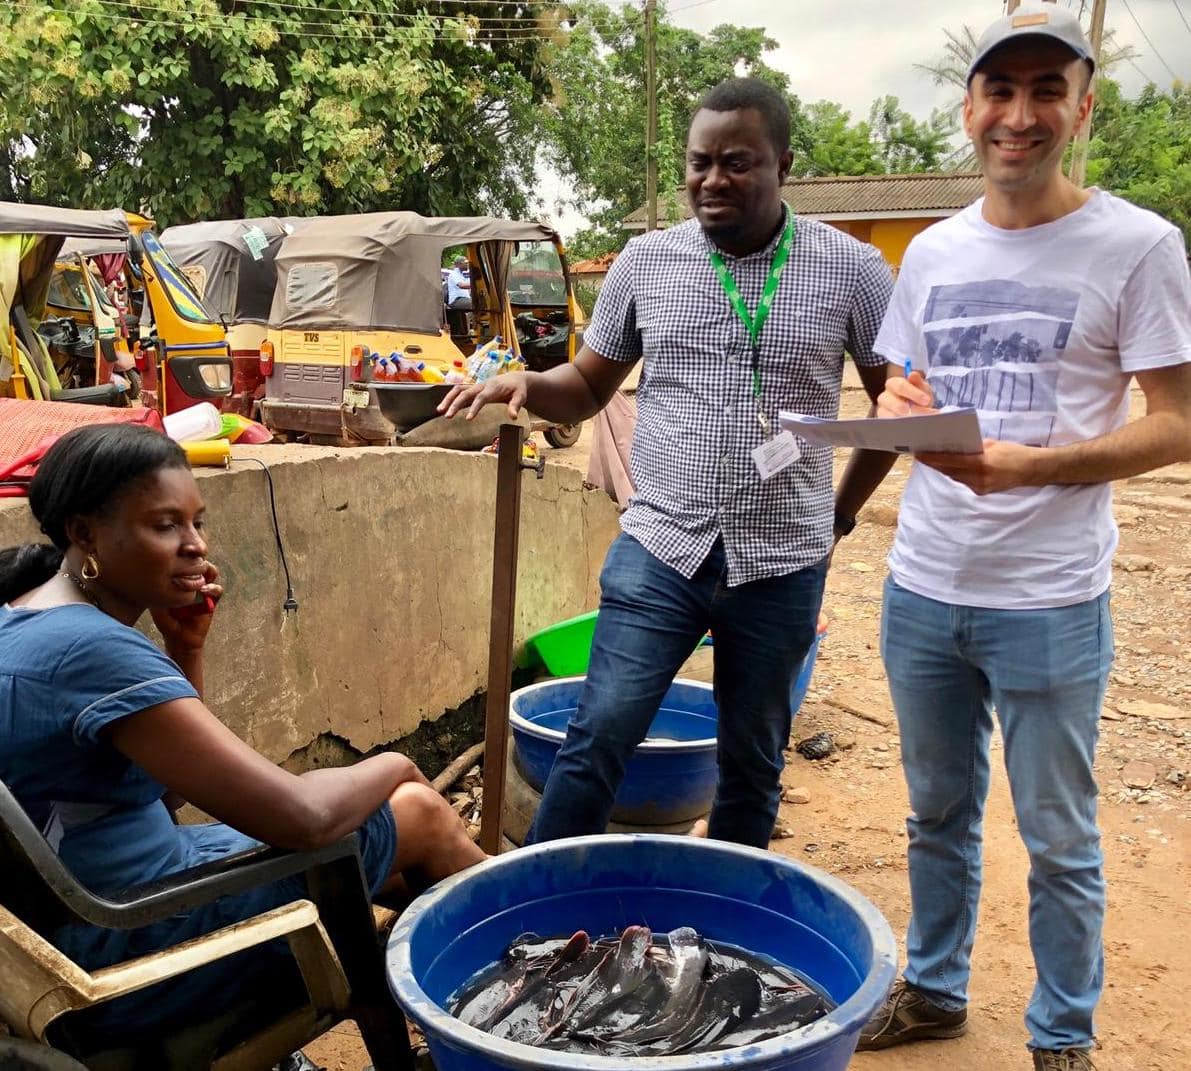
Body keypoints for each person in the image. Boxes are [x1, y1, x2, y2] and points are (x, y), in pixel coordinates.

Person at [856, 7, 1191, 1071]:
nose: (1019, 113)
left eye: (1047, 89)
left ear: (1082, 108)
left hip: (1049, 599)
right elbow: (901, 387)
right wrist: (900, 401)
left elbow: (1180, 420)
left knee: (1060, 841)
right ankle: (938, 990)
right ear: (969, 110)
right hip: (921, 587)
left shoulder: (1140, 244)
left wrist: (1031, 465)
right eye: (1000, 91)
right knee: (936, 813)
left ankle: (1062, 1037)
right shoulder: (933, 250)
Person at [440, 77, 896, 848]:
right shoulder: (646, 264)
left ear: (783, 163)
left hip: (782, 559)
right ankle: (540, 915)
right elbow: (585, 386)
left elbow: (896, 405)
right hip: (662, 547)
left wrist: (838, 514)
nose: (712, 180)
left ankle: (715, 932)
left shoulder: (852, 270)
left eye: (737, 162)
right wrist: (525, 381)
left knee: (752, 763)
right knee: (596, 739)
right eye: (698, 162)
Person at [0, 423, 486, 1039]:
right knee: (415, 812)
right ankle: (548, 966)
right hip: (122, 950)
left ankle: (501, 974)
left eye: (196, 522)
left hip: (68, 929)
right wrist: (396, 763)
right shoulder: (90, 650)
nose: (196, 545)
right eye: (165, 525)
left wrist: (185, 647)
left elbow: (165, 794)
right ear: (84, 532)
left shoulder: (25, 614)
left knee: (390, 854)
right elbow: (302, 818)